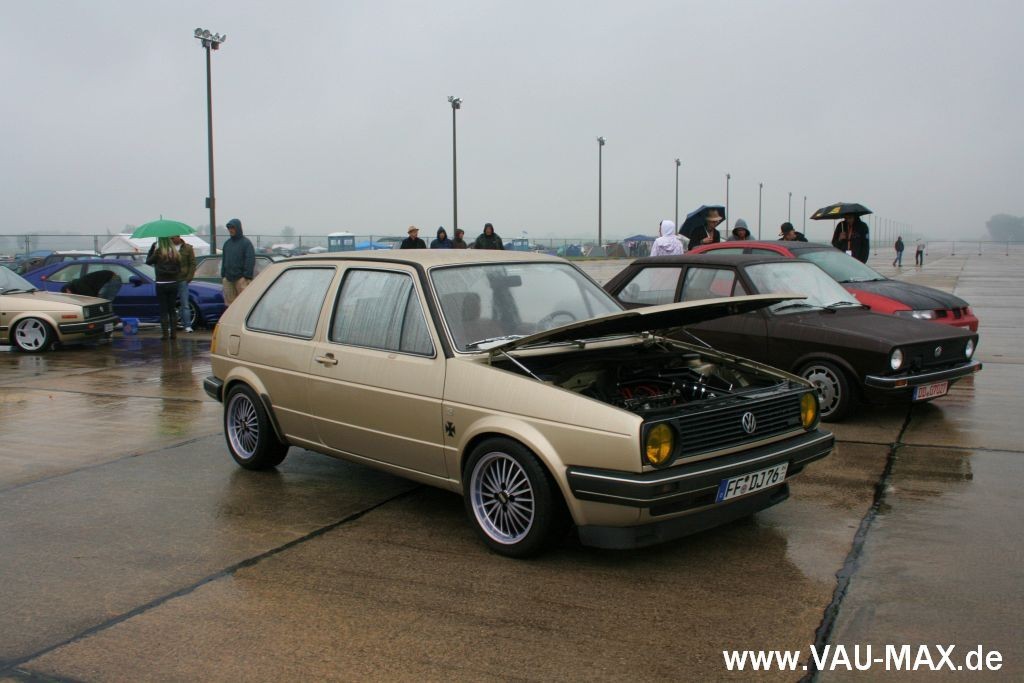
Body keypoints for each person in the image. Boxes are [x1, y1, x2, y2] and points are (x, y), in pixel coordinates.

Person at [146, 237, 181, 339]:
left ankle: (165, 334)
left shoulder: (158, 252)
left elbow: (148, 261)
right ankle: (173, 334)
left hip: (161, 283)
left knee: (163, 310)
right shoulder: (175, 253)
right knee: (172, 309)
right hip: (173, 283)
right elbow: (179, 268)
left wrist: (151, 249)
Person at [221, 218, 255, 305]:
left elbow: (250, 260)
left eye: (232, 228)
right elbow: (224, 259)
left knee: (244, 304)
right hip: (228, 280)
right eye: (229, 228)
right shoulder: (227, 244)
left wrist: (246, 276)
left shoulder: (246, 243)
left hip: (241, 280)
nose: (230, 230)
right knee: (230, 306)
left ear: (238, 228)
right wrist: (223, 275)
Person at [172, 235, 196, 332]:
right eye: (170, 238)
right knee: (171, 304)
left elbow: (192, 263)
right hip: (171, 279)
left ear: (178, 237)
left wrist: (189, 278)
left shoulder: (188, 248)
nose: (172, 239)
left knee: (185, 304)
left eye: (173, 237)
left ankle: (187, 325)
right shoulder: (168, 248)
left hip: (183, 279)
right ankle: (172, 325)